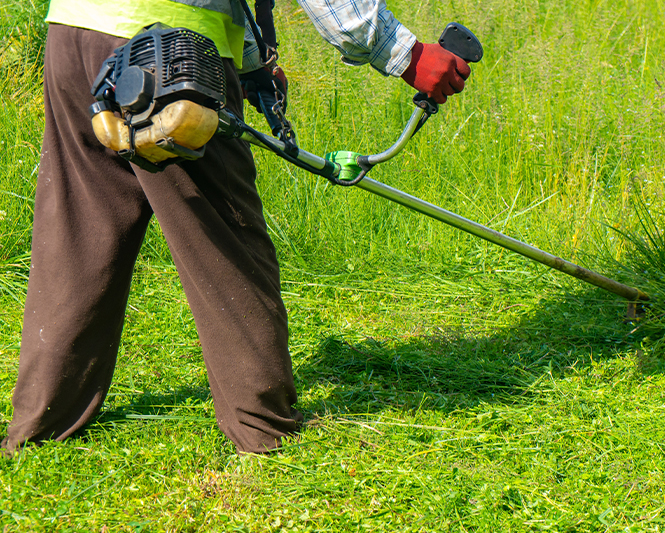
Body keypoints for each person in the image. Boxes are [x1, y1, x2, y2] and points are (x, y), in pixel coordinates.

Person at [1, 0, 471, 455]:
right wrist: (404, 52)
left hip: (74, 33)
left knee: (77, 231)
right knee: (226, 237)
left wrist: (249, 64)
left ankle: (43, 422)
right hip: (173, 50)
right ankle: (261, 425)